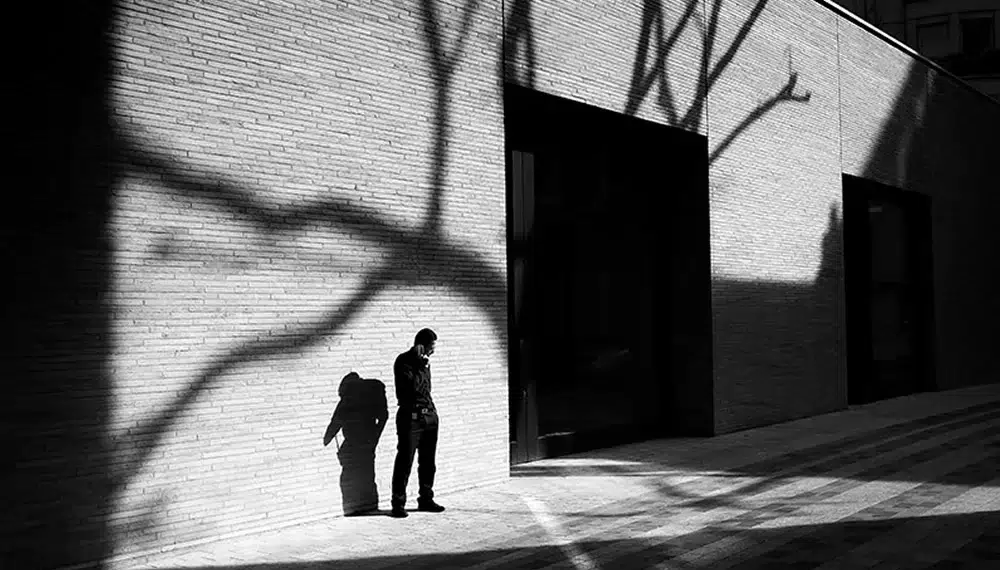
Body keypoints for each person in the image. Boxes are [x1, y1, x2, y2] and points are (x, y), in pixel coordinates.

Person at [390, 328, 446, 518]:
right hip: (411, 418)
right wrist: (420, 366)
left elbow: (426, 391)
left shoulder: (425, 364)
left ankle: (426, 499)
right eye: (431, 347)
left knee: (428, 462)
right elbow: (413, 388)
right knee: (405, 461)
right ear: (421, 346)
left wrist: (433, 412)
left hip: (429, 417)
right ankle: (398, 504)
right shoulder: (404, 362)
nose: (433, 351)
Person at [323, 372, 388, 516]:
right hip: (368, 440)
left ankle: (354, 507)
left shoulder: (349, 395)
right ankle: (370, 506)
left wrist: (327, 438)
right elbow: (384, 416)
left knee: (349, 477)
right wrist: (375, 436)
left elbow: (336, 420)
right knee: (367, 474)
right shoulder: (373, 392)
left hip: (353, 441)